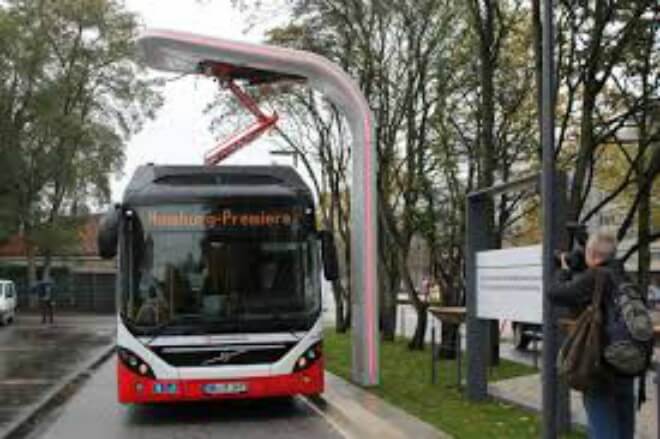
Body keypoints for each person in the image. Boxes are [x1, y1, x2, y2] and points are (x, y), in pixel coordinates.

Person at [549, 229, 635, 439]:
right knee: (624, 424)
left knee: (602, 424)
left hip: (600, 362)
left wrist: (563, 269)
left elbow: (555, 293)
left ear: (591, 254)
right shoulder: (622, 274)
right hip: (626, 360)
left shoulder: (597, 276)